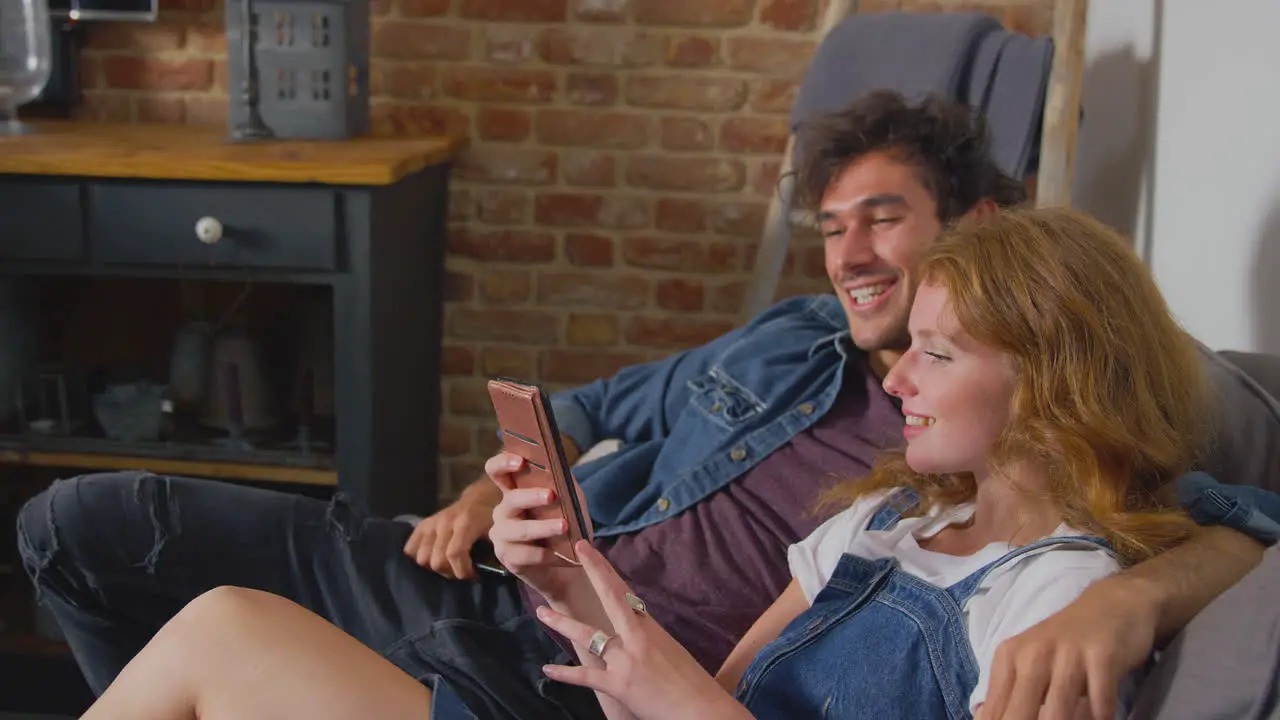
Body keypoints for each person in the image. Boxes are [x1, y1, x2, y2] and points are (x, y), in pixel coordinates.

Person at [16, 91, 1279, 719]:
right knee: (78, 527)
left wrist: (1140, 587)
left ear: (982, 238)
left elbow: (1202, 497)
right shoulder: (869, 488)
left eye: (881, 220)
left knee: (220, 631)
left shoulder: (1039, 577)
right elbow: (578, 421)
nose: (845, 259)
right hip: (526, 608)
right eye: (829, 226)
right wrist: (508, 519)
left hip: (556, 678)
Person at [488, 204, 1214, 720]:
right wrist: (566, 586)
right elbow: (707, 699)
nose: (896, 381)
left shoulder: (1057, 595)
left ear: (1054, 381)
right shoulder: (887, 516)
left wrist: (682, 702)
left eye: (936, 352)